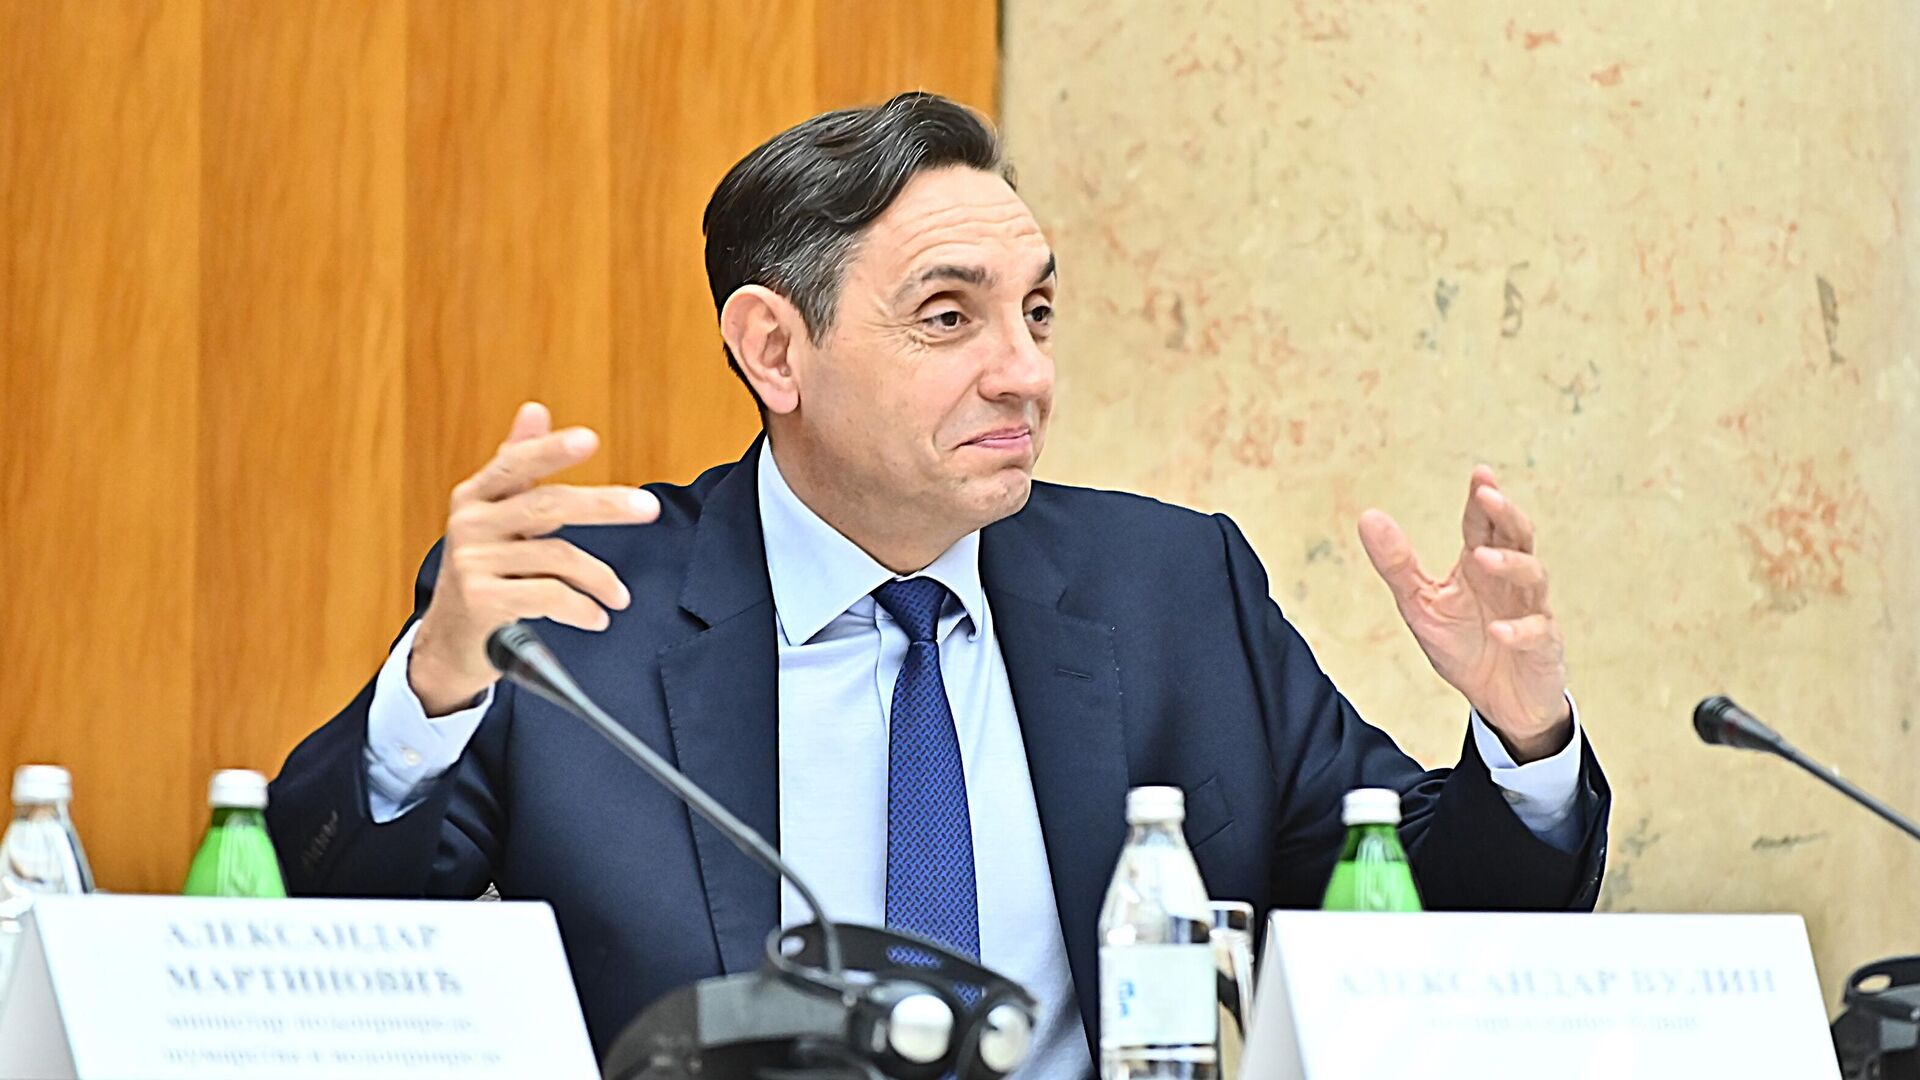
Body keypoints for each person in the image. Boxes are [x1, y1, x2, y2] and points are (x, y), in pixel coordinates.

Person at [268, 92, 1608, 1075]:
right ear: (775, 350)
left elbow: (1417, 940)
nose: (1024, 372)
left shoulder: (1170, 588)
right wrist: (430, 695)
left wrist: (1523, 742)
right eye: (950, 316)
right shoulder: (578, 609)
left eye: (1038, 312)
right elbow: (320, 947)